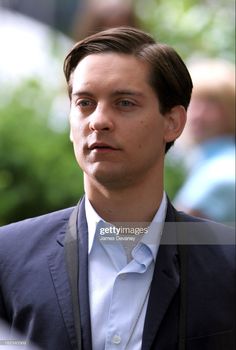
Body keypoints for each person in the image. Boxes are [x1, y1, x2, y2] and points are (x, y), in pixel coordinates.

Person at [0, 27, 235, 350]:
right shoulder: (9, 257)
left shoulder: (227, 262)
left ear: (173, 122)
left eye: (124, 103)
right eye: (84, 102)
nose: (98, 120)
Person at [174, 59, 235, 224]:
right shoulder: (204, 160)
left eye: (211, 104)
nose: (197, 114)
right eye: (192, 101)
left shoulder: (220, 173)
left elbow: (173, 238)